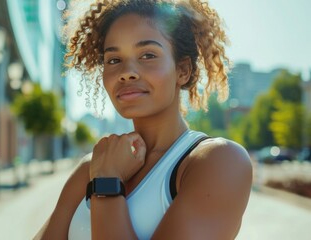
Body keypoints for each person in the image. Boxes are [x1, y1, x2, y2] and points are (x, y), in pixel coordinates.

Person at [35, 0, 252, 239]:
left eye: (147, 55)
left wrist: (107, 181)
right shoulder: (91, 166)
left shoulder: (219, 161)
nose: (127, 72)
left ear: (183, 70)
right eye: (114, 60)